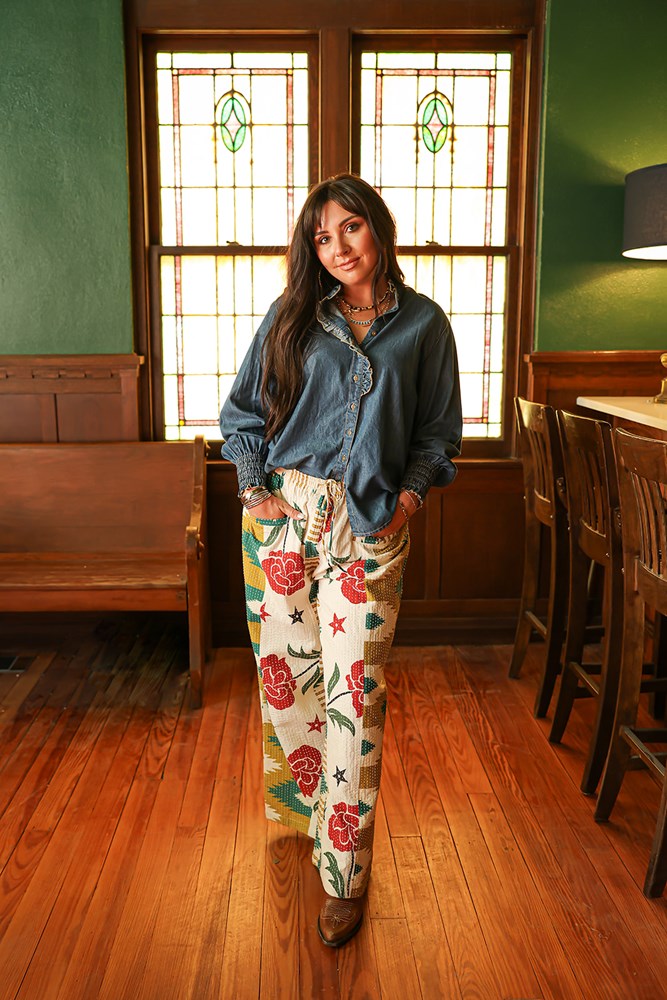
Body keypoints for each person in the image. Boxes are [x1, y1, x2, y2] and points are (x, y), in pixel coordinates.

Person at [219, 172, 462, 947]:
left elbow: (436, 434)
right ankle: (312, 816)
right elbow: (241, 413)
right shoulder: (291, 317)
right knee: (288, 686)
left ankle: (343, 877)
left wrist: (408, 500)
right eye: (321, 238)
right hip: (288, 520)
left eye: (349, 228)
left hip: (369, 528)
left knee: (356, 702)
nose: (337, 248)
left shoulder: (424, 325)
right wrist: (256, 492)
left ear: (377, 228)